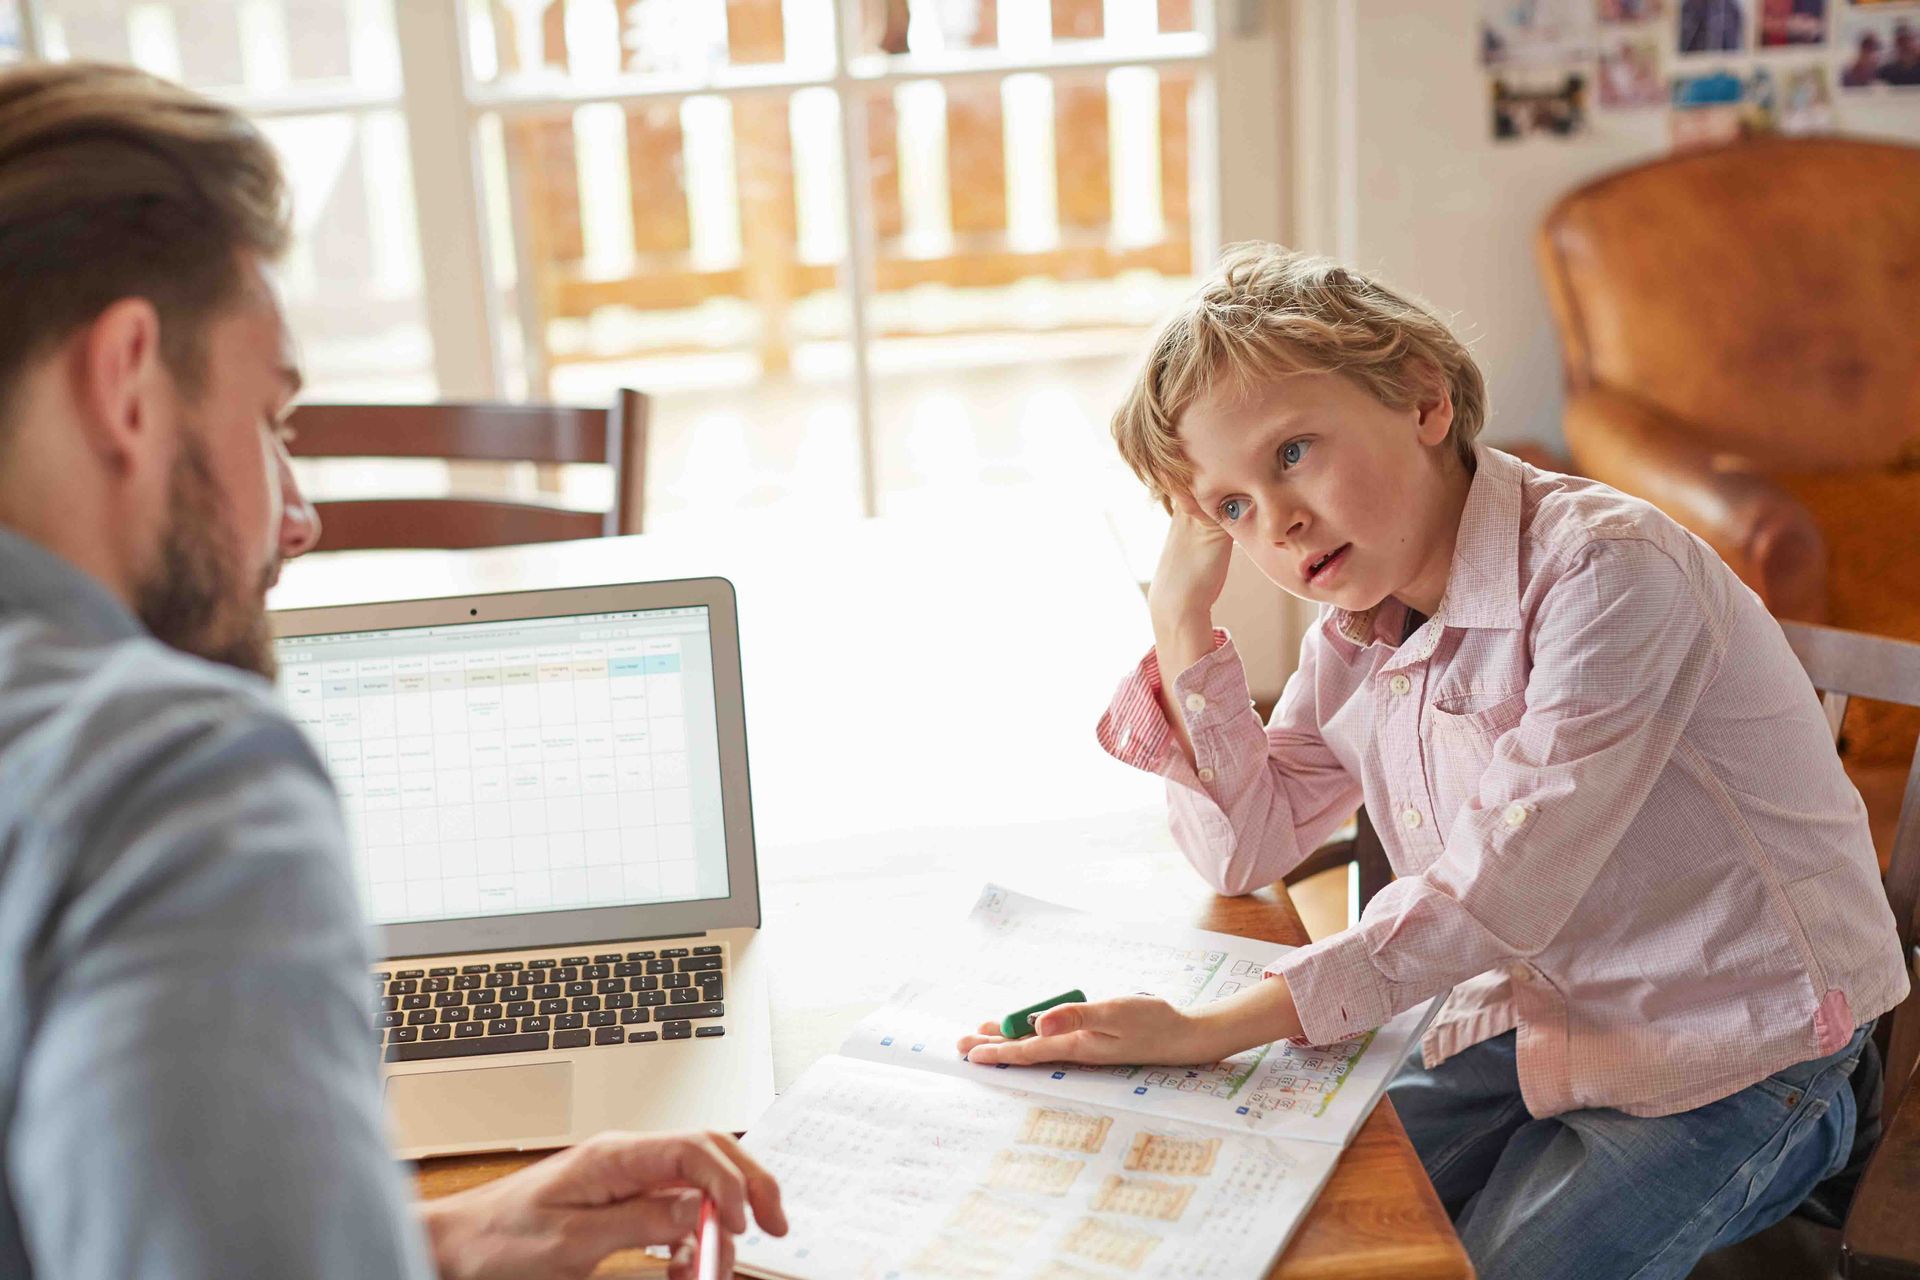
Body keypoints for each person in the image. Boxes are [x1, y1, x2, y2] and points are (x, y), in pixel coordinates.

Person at [957, 244, 1908, 1280]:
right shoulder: (1360, 628)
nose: (1276, 523)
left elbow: (1499, 891)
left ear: (1423, 400)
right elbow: (1248, 850)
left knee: (1474, 1264)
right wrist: (1179, 616)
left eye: (1292, 453)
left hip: (1740, 1054)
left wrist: (1209, 1028)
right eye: (1229, 507)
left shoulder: (1606, 573)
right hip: (1538, 1009)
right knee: (1286, 1202)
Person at [0, 62, 786, 1279]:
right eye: (270, 419)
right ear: (126, 381)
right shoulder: (172, 780)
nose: (298, 512)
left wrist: (448, 1235)